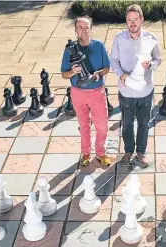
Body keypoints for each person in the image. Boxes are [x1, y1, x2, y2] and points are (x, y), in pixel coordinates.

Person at [110, 4, 162, 167]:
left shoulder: (151, 38)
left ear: (141, 20)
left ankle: (141, 152)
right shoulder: (119, 38)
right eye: (129, 20)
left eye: (135, 20)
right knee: (126, 124)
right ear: (126, 21)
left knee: (143, 123)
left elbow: (158, 59)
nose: (132, 23)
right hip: (126, 91)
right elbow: (114, 61)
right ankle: (128, 151)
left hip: (145, 91)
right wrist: (121, 75)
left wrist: (151, 65)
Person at [61, 15, 111, 167]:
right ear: (75, 30)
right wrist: (72, 72)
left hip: (96, 91)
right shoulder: (70, 50)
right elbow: (64, 74)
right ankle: (86, 153)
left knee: (102, 125)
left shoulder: (99, 46)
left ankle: (101, 153)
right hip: (78, 92)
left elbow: (107, 67)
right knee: (84, 125)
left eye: (86, 27)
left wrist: (98, 73)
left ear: (91, 29)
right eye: (79, 27)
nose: (83, 30)